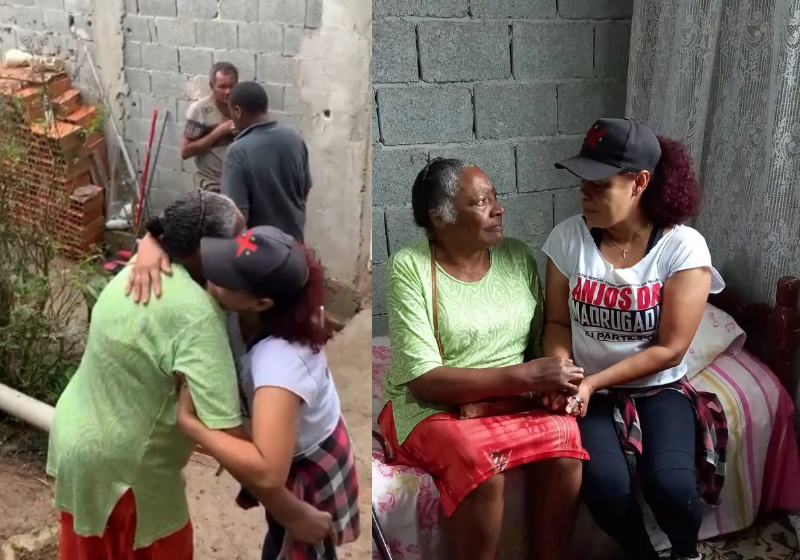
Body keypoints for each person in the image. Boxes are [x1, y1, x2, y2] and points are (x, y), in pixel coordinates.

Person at [47, 191, 331, 560]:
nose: (238, 251)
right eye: (231, 246)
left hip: (78, 438)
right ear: (201, 251)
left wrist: (149, 241)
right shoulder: (198, 316)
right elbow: (243, 452)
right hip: (127, 472)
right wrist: (290, 511)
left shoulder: (141, 268)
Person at [377, 158, 589, 560]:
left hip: (512, 400)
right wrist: (527, 377)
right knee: (483, 468)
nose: (499, 208)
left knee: (566, 443)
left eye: (495, 196)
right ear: (441, 218)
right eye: (481, 201)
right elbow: (424, 380)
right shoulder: (410, 268)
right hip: (433, 407)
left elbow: (537, 345)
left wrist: (549, 388)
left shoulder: (518, 257)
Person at [542, 117, 727, 560]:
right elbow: (556, 323)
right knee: (605, 487)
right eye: (580, 182)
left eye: (597, 183)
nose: (583, 193)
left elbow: (671, 349)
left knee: (674, 487)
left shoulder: (682, 248)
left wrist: (592, 382)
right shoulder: (569, 237)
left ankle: (686, 553)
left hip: (657, 390)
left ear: (639, 182)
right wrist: (565, 372)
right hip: (590, 393)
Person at [172, 226, 360, 560]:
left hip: (308, 464)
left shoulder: (280, 364)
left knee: (302, 545)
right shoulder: (268, 309)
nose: (211, 277)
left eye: (225, 277)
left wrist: (193, 425)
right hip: (299, 444)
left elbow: (268, 471)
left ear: (261, 302)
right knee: (282, 533)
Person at [221, 81, 312, 241]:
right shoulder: (294, 136)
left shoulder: (237, 152)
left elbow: (237, 218)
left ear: (237, 110)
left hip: (263, 252)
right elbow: (305, 189)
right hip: (295, 244)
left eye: (231, 113)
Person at [182, 61, 239, 191]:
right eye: (222, 87)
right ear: (212, 86)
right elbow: (185, 151)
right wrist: (218, 132)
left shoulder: (241, 107)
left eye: (232, 86)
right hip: (212, 186)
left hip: (238, 185)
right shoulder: (199, 110)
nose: (227, 92)